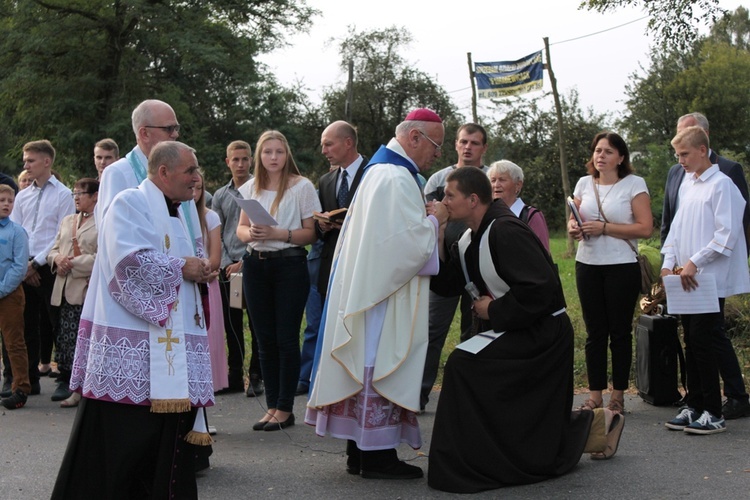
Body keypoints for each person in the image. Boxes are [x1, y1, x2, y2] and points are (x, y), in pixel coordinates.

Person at [428, 167, 624, 493]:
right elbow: (447, 285)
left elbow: (543, 290)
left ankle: (483, 459)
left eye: (450, 196)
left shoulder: (506, 231)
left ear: (473, 200)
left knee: (464, 365)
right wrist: (439, 231)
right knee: (466, 363)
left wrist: (493, 310)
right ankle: (588, 427)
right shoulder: (468, 237)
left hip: (544, 334)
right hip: (519, 327)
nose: (443, 201)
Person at [51, 141, 215, 499]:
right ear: (163, 172)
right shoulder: (129, 203)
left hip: (170, 352)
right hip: (135, 354)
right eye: (190, 170)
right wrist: (181, 268)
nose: (196, 178)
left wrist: (199, 269)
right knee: (123, 449)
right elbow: (126, 262)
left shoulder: (177, 212)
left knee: (163, 447)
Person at [306, 108, 448, 480]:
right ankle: (377, 458)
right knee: (379, 363)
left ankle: (359, 453)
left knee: (366, 367)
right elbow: (404, 246)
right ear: (414, 137)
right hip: (381, 298)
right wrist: (437, 219)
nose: (438, 155)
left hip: (370, 289)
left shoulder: (382, 172)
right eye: (436, 145)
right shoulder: (394, 177)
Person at [661, 112, 750, 420]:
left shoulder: (722, 184)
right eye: (677, 155)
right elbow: (676, 226)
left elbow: (727, 234)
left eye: (684, 154)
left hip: (706, 277)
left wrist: (694, 262)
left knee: (704, 342)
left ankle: (713, 410)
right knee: (691, 340)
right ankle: (694, 404)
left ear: (702, 149)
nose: (680, 161)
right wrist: (668, 261)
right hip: (685, 277)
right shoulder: (688, 183)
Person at [237, 130, 320, 431]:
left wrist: (278, 234)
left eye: (279, 152)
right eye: (267, 152)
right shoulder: (250, 187)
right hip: (255, 265)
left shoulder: (302, 186)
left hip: (289, 265)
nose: (273, 157)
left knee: (285, 338)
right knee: (264, 339)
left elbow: (311, 233)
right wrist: (253, 234)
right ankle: (271, 406)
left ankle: (285, 407)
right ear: (260, 155)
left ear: (287, 155)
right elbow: (241, 230)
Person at [568, 131, 653, 414]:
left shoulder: (634, 184)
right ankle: (595, 395)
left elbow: (645, 227)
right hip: (588, 264)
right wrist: (573, 227)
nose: (600, 156)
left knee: (618, 332)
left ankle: (618, 394)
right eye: (597, 150)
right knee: (595, 333)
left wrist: (604, 228)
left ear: (621, 157)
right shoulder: (583, 183)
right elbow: (573, 217)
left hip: (621, 266)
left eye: (607, 151)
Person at [420, 123, 489, 411]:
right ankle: (417, 395)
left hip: (479, 267)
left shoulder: (491, 179)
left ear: (484, 148)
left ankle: (468, 397)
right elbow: (425, 217)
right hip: (443, 267)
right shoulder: (438, 178)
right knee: (431, 331)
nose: (468, 147)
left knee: (474, 332)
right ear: (456, 145)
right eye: (463, 141)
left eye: (475, 142)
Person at [297, 121, 367, 396]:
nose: (323, 149)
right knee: (318, 324)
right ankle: (311, 378)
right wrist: (323, 225)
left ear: (348, 143)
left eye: (329, 143)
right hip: (329, 263)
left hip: (362, 263)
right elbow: (321, 219)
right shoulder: (326, 181)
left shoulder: (374, 174)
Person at [2, 140, 75, 399]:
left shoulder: (64, 194)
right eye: (24, 160)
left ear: (47, 162)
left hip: (49, 266)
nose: (25, 165)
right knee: (22, 324)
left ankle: (66, 379)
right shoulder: (22, 195)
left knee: (57, 324)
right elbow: (17, 232)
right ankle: (23, 379)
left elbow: (62, 234)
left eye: (30, 160)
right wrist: (25, 264)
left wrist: (37, 263)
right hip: (23, 266)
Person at [212, 140, 264, 396]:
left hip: (251, 263)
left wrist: (244, 260)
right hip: (227, 269)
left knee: (255, 323)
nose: (241, 164)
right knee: (232, 324)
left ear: (251, 160)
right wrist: (225, 263)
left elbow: (260, 229)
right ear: (228, 162)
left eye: (245, 159)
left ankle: (256, 375)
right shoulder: (221, 195)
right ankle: (234, 375)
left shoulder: (260, 189)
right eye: (236, 159)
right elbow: (216, 232)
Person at [46, 178, 99, 407]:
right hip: (62, 287)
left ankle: (84, 386)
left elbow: (102, 257)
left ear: (95, 196)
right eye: (74, 193)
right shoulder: (68, 221)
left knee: (82, 338)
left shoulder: (103, 222)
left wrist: (73, 263)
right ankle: (66, 380)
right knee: (63, 336)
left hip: (85, 289)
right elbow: (55, 248)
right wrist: (57, 259)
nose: (76, 197)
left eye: (81, 193)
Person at [193, 172, 229, 393]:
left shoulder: (210, 217)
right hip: (186, 283)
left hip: (207, 283)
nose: (194, 193)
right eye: (190, 187)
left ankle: (206, 397)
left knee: (208, 342)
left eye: (198, 188)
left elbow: (215, 258)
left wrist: (200, 270)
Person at [0, 184, 31, 410]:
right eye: (1, 200)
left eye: (10, 201)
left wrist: (2, 289)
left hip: (9, 294)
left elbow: (19, 267)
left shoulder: (17, 232)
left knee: (14, 342)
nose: (6, 204)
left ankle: (20, 388)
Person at [487, 159, 550, 251]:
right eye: (493, 180)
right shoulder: (487, 215)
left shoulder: (531, 216)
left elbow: (542, 254)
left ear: (518, 185)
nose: (496, 185)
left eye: (502, 180)